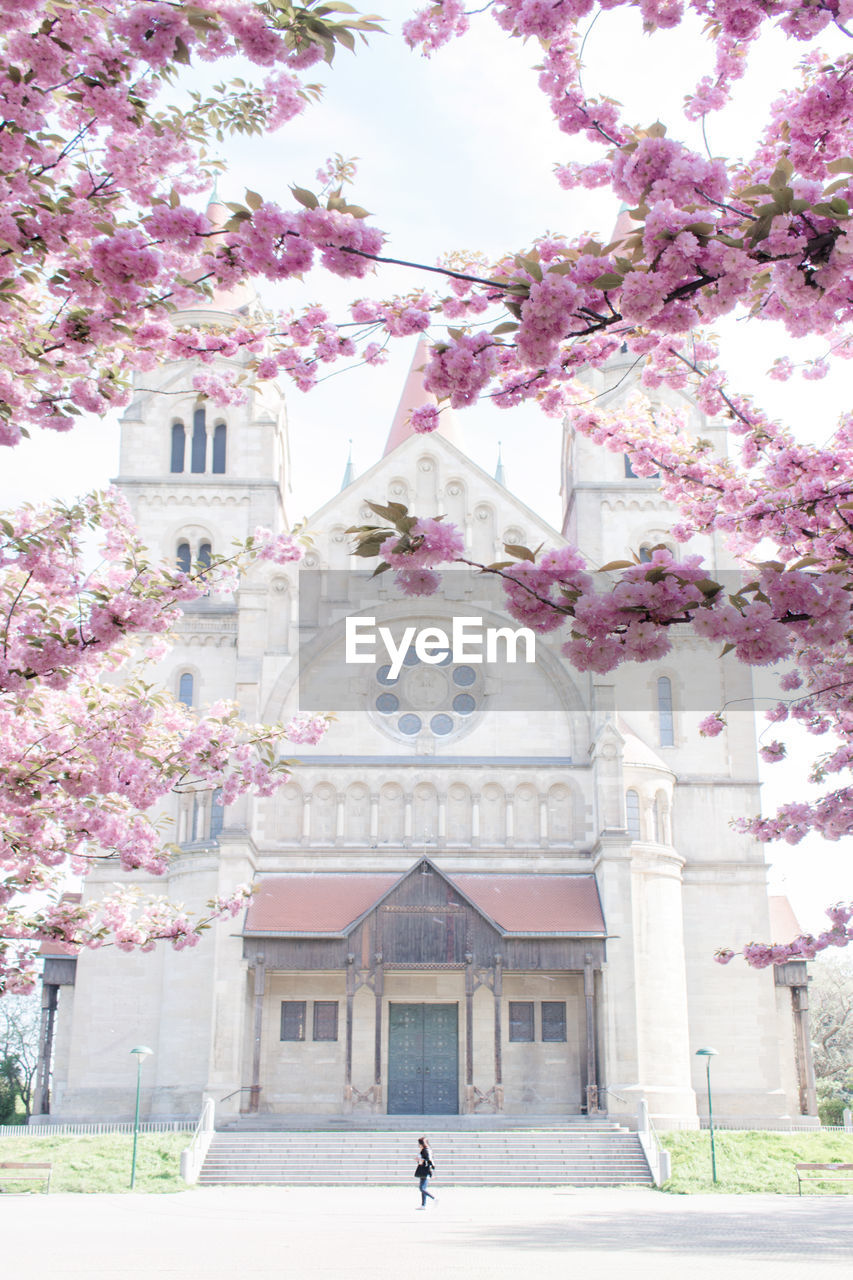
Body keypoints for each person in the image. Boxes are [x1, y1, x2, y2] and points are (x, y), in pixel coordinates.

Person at [415, 1136, 436, 1208]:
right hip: (423, 1170)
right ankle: (423, 1205)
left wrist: (421, 1160)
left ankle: (434, 1198)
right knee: (423, 1188)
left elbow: (428, 1161)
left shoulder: (426, 1150)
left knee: (422, 1188)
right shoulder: (424, 1150)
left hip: (425, 1171)